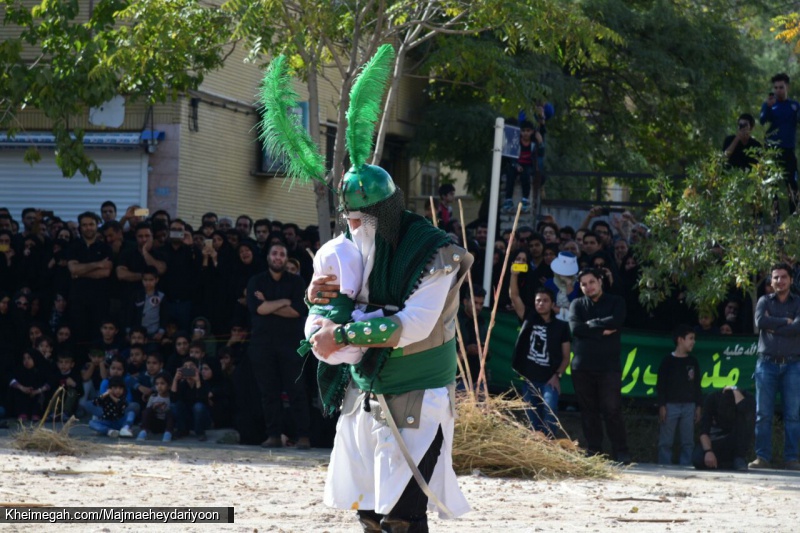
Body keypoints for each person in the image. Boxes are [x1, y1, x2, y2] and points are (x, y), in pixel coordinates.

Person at [246, 241, 310, 449]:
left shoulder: (297, 283)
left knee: (297, 391)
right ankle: (273, 435)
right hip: (262, 345)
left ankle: (303, 436)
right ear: (268, 257)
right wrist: (284, 301)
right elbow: (259, 309)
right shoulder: (256, 281)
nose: (278, 257)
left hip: (290, 344)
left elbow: (298, 311)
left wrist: (270, 304)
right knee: (268, 392)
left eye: (282, 254)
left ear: (286, 258)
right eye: (275, 253)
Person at [568, 268, 630, 463]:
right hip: (582, 367)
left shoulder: (616, 301)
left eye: (591, 282)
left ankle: (621, 451)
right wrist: (600, 329)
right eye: (584, 284)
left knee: (612, 410)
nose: (588, 287)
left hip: (608, 367)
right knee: (588, 411)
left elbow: (617, 320)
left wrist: (591, 325)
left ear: (600, 281)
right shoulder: (577, 304)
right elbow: (575, 329)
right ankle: (594, 451)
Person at [750, 262, 800, 470]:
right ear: (771, 281)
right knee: (763, 414)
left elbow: (798, 327)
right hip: (766, 364)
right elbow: (760, 321)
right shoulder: (763, 300)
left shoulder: (798, 302)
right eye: (776, 277)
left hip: (792, 365)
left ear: (790, 280)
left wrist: (775, 324)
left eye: (783, 277)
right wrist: (785, 322)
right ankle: (762, 458)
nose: (779, 281)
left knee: (793, 415)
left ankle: (792, 459)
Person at [509, 283, 570, 438]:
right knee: (532, 419)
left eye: (545, 300)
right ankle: (537, 451)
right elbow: (514, 296)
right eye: (538, 300)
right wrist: (514, 274)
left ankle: (550, 448)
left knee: (550, 413)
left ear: (553, 304)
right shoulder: (529, 317)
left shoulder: (561, 326)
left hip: (550, 380)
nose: (541, 303)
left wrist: (557, 375)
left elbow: (566, 357)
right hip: (529, 380)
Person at [656, 324, 702, 466]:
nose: (693, 342)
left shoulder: (692, 361)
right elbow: (661, 385)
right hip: (671, 405)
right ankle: (665, 466)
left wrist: (698, 406)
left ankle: (686, 466)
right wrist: (662, 405)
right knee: (666, 441)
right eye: (690, 338)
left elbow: (697, 385)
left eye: (694, 338)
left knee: (688, 441)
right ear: (680, 339)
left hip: (689, 405)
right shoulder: (667, 361)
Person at [760, 73, 800, 212]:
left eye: (781, 87)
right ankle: (775, 218)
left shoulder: (794, 105)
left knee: (792, 183)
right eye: (775, 87)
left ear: (787, 87)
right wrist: (767, 107)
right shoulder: (770, 104)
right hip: (772, 151)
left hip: (788, 150)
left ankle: (794, 215)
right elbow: (762, 120)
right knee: (773, 185)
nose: (778, 90)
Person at [693, 387, 755, 471]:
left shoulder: (747, 398)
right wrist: (708, 451)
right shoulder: (712, 398)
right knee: (697, 459)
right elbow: (704, 430)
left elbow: (745, 410)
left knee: (746, 421)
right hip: (717, 441)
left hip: (735, 441)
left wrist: (734, 389)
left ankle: (738, 458)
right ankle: (725, 463)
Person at [503, 120, 536, 213]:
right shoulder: (515, 142)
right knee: (510, 174)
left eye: (528, 131)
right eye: (523, 130)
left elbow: (539, 154)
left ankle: (525, 200)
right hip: (516, 164)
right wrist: (516, 165)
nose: (525, 133)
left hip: (528, 165)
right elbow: (510, 156)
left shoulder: (534, 143)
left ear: (532, 132)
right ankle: (508, 200)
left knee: (526, 175)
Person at [137, 372, 174, 442]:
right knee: (147, 411)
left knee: (170, 413)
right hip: (154, 423)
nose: (159, 386)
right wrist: (153, 407)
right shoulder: (153, 397)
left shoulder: (170, 398)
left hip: (165, 423)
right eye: (157, 384)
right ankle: (144, 431)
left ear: (169, 386)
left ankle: (168, 433)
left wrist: (165, 409)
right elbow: (147, 412)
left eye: (162, 384)